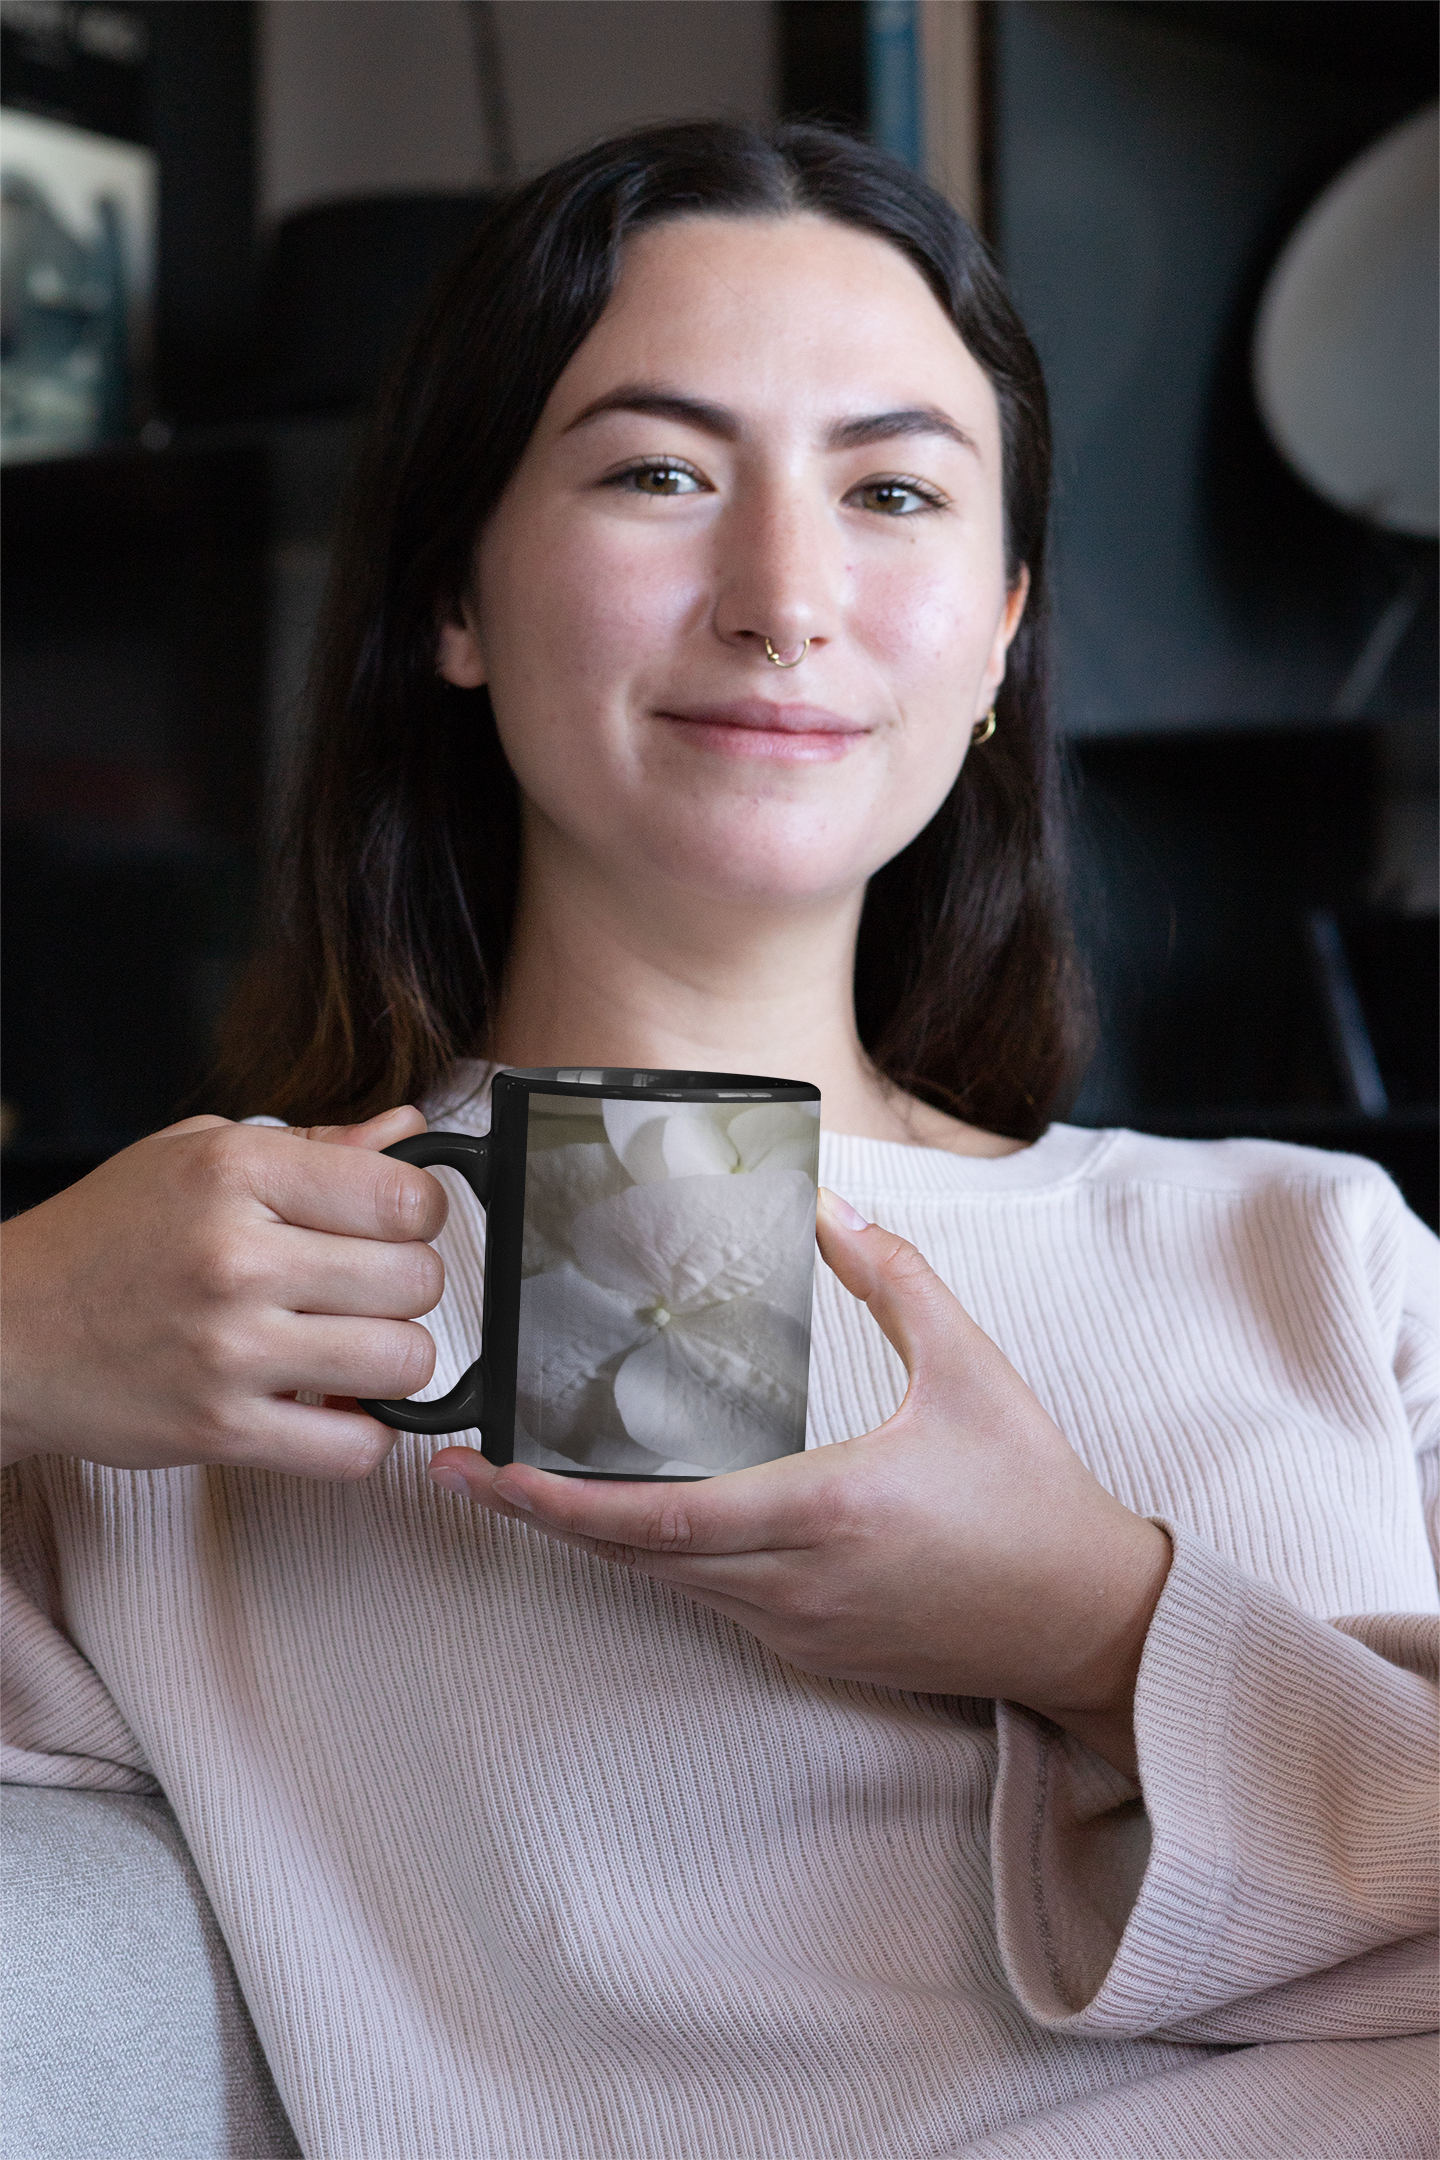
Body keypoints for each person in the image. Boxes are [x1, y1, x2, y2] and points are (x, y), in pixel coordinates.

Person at [3, 120, 1440, 2160]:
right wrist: (16, 1330)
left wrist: (1102, 1630)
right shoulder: (197, 1341)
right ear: (455, 597)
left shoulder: (1316, 1254)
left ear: (1005, 628)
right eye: (661, 471)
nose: (784, 600)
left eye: (894, 492)